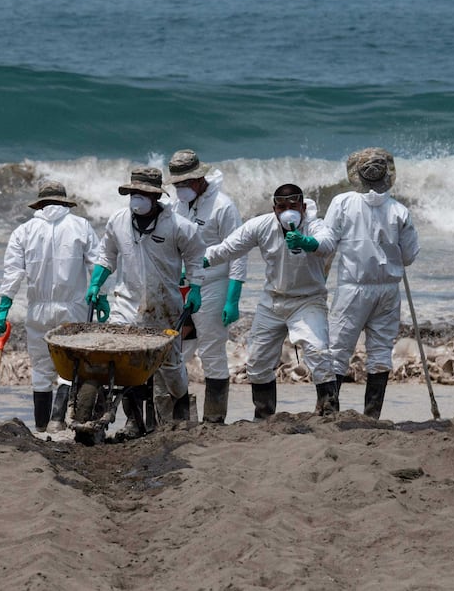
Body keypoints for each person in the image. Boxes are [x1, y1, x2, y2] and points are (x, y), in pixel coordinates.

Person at [203, 183, 338, 419]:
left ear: (303, 207)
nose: (287, 212)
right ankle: (264, 416)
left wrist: (307, 242)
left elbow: (327, 243)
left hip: (308, 300)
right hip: (272, 301)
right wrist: (197, 263)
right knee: (257, 362)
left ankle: (328, 413)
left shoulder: (315, 225)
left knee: (318, 354)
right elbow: (228, 249)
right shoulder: (261, 225)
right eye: (282, 207)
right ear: (274, 209)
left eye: (293, 206)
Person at [86, 166, 206, 430]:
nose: (137, 198)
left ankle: (180, 414)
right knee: (121, 363)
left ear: (156, 197)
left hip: (165, 308)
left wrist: (195, 289)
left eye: (143, 193)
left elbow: (196, 258)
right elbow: (107, 256)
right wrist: (96, 283)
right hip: (126, 304)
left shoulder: (179, 226)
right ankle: (134, 421)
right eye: (134, 193)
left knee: (171, 368)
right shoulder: (118, 221)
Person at [0, 181, 101, 433]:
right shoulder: (81, 226)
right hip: (73, 308)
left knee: (41, 367)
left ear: (39, 204)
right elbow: (97, 265)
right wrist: (101, 296)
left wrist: (3, 309)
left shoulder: (23, 231)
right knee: (70, 366)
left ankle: (40, 426)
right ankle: (57, 421)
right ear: (64, 202)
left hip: (38, 309)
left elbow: (13, 274)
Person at [324, 148, 419, 419]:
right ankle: (372, 415)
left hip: (353, 288)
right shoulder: (399, 211)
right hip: (388, 290)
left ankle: (329, 412)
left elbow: (328, 245)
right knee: (380, 352)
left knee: (337, 350)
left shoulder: (342, 203)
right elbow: (409, 256)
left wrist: (320, 279)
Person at [168, 149, 247, 424]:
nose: (180, 188)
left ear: (199, 179)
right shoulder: (177, 205)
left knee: (212, 351)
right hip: (181, 287)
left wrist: (233, 298)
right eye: (176, 184)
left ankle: (214, 418)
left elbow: (238, 252)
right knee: (175, 351)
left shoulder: (223, 206)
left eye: (184, 183)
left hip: (213, 285)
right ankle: (180, 418)